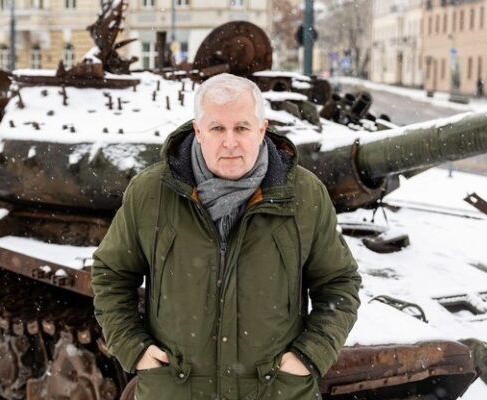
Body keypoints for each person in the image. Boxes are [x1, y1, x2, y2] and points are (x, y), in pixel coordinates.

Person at [91, 73, 361, 400]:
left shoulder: (304, 195)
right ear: (198, 131)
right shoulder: (152, 193)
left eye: (242, 128)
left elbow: (338, 282)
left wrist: (310, 354)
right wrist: (133, 348)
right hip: (176, 390)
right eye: (217, 128)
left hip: (275, 391)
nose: (230, 142)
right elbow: (111, 274)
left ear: (261, 130)